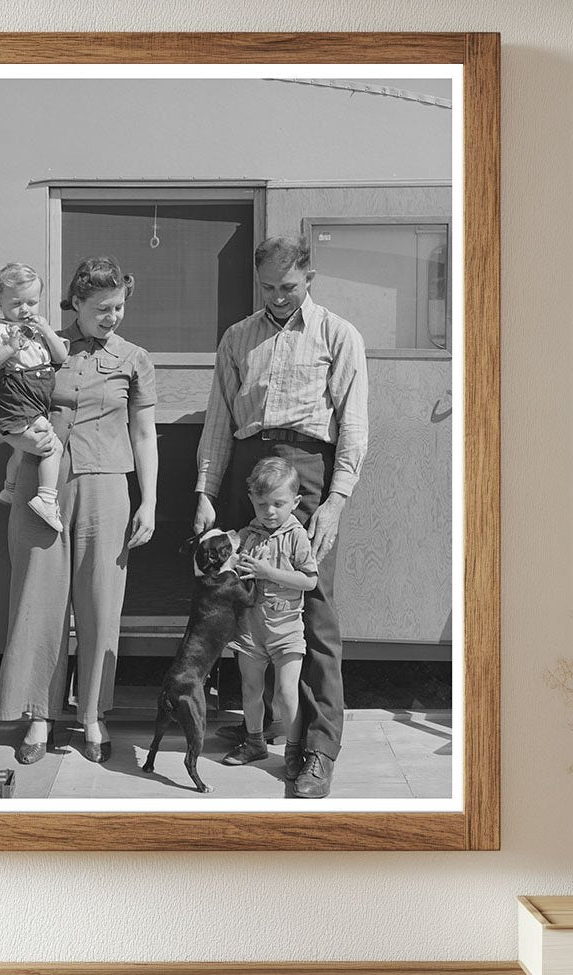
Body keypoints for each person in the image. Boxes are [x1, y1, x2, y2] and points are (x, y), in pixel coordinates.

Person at [194, 235, 369, 798]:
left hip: (308, 474)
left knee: (312, 610)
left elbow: (354, 425)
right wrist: (206, 492)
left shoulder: (338, 335)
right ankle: (259, 729)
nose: (277, 296)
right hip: (249, 470)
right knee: (243, 601)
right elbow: (219, 422)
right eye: (267, 287)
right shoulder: (237, 337)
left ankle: (317, 747)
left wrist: (336, 501)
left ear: (309, 277)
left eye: (288, 286)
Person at [0, 256, 157, 765]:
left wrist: (150, 500)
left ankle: (92, 715)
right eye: (102, 308)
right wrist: (17, 448)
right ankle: (38, 716)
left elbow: (144, 433)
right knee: (37, 600)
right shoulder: (41, 345)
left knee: (100, 602)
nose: (113, 317)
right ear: (78, 304)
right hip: (42, 486)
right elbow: (11, 406)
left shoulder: (135, 358)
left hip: (107, 488)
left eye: (119, 307)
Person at [222, 457, 317, 779]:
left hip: (286, 630)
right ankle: (254, 742)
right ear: (251, 499)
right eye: (262, 504)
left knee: (286, 692)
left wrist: (268, 572)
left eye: (279, 504)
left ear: (295, 502)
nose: (270, 511)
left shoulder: (296, 536)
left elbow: (309, 581)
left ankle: (294, 750)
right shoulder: (247, 535)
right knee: (250, 689)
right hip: (250, 629)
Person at [0, 263, 69, 531]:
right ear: (0, 303)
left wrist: (47, 331)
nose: (25, 309)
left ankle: (10, 489)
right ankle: (46, 499)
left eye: (32, 302)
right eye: (16, 303)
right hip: (18, 400)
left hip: (37, 402)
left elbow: (61, 356)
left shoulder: (40, 331)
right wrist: (9, 348)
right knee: (52, 446)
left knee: (19, 450)